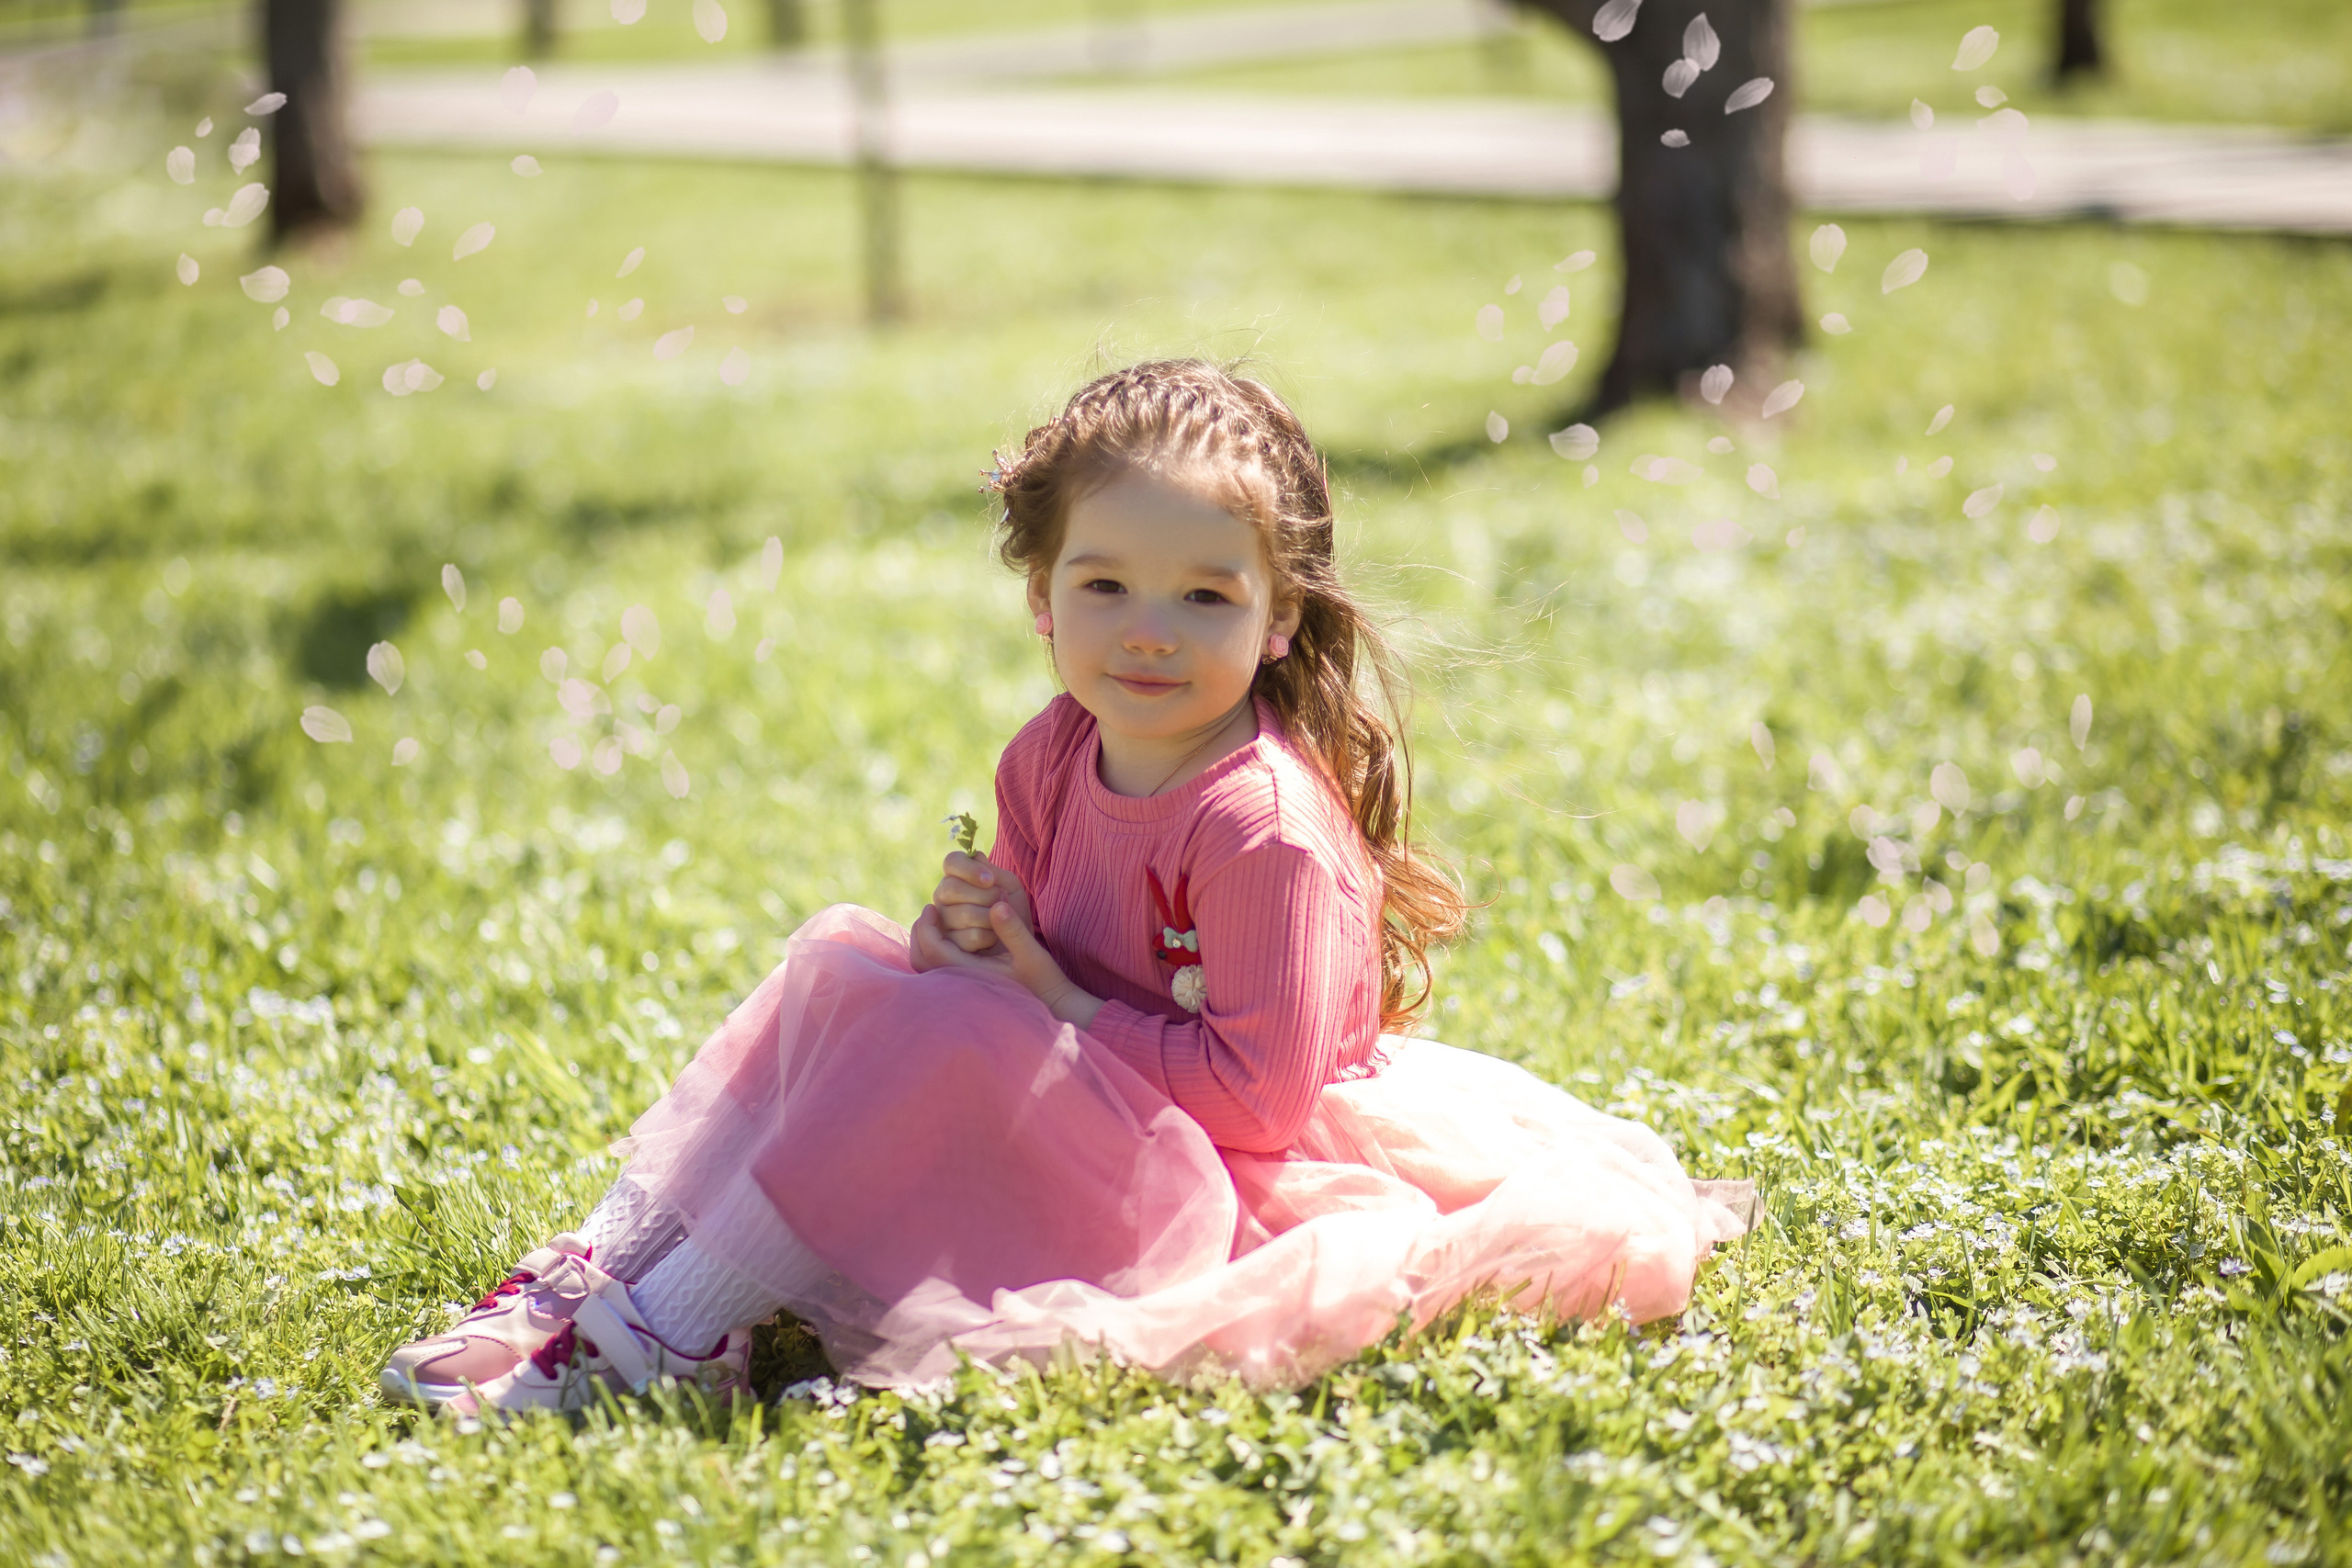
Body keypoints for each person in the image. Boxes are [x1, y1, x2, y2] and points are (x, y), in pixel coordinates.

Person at [380, 360, 1753, 1414]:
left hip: (1217, 1168)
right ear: (1042, 598)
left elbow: (1262, 1100)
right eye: (1105, 585)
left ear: (1279, 618)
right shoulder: (1052, 753)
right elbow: (1015, 969)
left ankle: (678, 1333)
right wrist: (970, 942)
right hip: (1080, 1106)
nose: (1148, 634)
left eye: (1205, 600)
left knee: (931, 1025)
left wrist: (1041, 999)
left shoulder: (1260, 827)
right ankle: (617, 1271)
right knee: (854, 963)